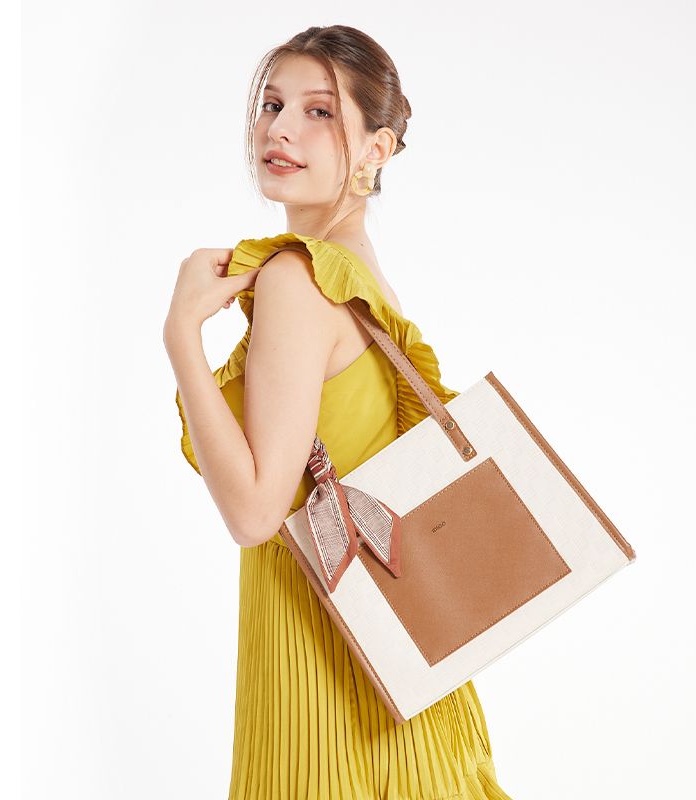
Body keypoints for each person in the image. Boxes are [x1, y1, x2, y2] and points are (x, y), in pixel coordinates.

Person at [164, 24, 513, 800]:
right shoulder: (361, 275)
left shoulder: (298, 280)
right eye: (272, 104)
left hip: (325, 676)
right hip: (401, 671)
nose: (280, 128)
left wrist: (181, 335)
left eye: (319, 111)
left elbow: (256, 513)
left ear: (376, 150)